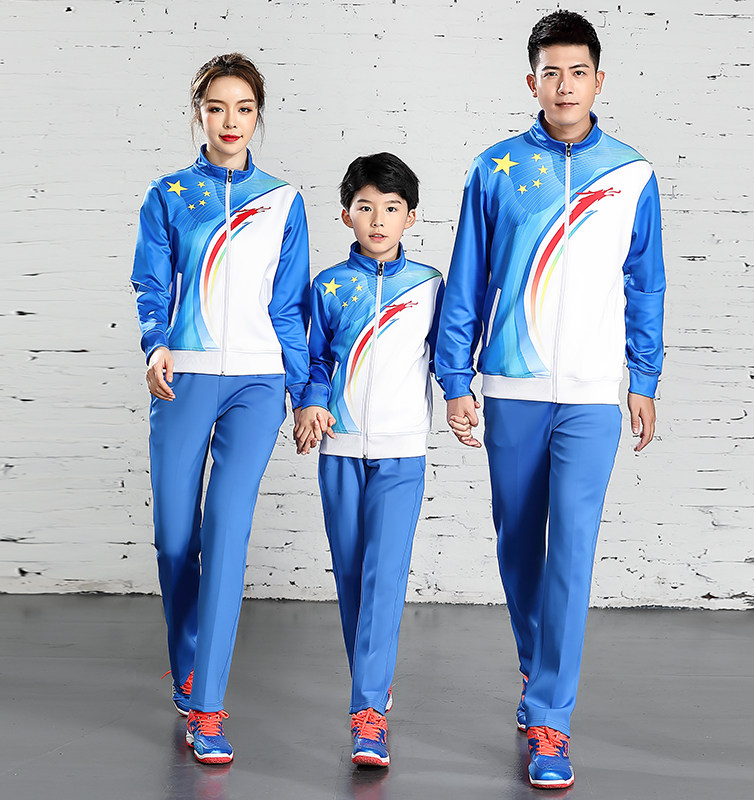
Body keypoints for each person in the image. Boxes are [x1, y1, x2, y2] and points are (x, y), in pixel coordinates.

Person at [435, 11, 666, 790]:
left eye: (578, 71)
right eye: (551, 72)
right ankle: (538, 675)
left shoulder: (632, 175)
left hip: (594, 395)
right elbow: (467, 278)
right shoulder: (495, 170)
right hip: (513, 387)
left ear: (599, 80)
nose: (565, 85)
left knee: (570, 547)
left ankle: (551, 721)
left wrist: (643, 378)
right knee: (517, 545)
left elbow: (646, 283)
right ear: (531, 81)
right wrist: (455, 379)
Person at [130, 53, 310, 765]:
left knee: (227, 533)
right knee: (176, 539)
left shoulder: (283, 201)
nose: (230, 122)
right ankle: (187, 667)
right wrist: (155, 346)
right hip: (184, 378)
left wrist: (306, 392)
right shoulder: (168, 194)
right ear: (198, 113)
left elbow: (290, 306)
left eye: (243, 109)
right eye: (216, 108)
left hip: (258, 385)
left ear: (258, 116)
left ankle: (208, 709)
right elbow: (150, 284)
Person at [294, 153, 443, 768]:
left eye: (391, 208)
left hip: (402, 449)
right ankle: (372, 686)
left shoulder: (430, 285)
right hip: (339, 448)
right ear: (346, 214)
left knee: (386, 574)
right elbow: (314, 359)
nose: (378, 220)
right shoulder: (327, 286)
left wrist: (461, 399)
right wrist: (309, 403)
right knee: (353, 575)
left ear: (411, 216)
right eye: (365, 208)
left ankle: (369, 713)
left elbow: (447, 354)